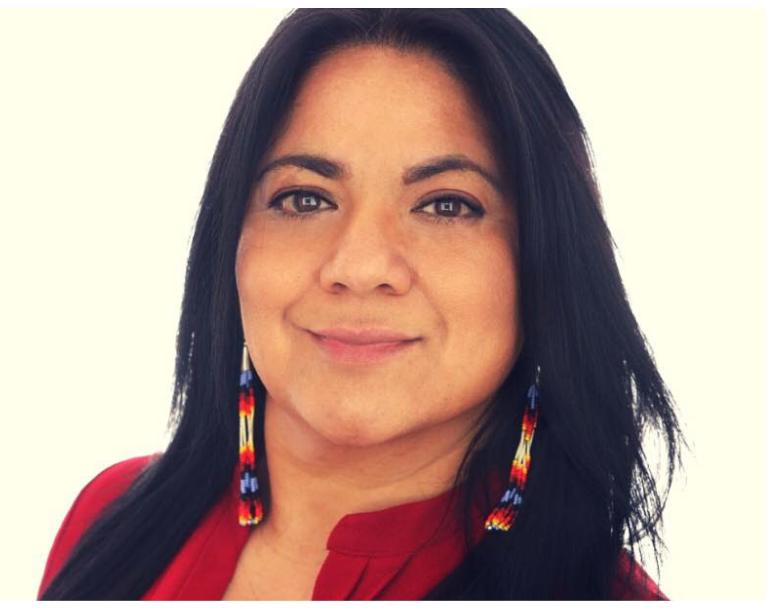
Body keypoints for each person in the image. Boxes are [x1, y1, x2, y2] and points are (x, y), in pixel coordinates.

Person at [38, 8, 683, 600]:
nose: (360, 267)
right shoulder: (109, 516)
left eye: (446, 205)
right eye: (305, 199)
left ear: (547, 257)